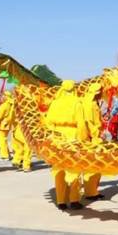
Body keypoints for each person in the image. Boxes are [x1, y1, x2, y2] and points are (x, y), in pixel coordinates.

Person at [44, 80, 84, 208]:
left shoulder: (55, 103)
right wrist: (83, 141)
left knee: (59, 169)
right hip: (73, 137)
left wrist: (52, 138)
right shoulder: (77, 102)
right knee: (74, 169)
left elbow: (48, 123)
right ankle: (74, 200)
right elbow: (81, 124)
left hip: (57, 138)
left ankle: (61, 200)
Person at [77, 82, 104, 200]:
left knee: (94, 166)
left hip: (92, 136)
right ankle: (90, 192)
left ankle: (93, 190)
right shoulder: (90, 104)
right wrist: (96, 135)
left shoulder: (90, 102)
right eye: (100, 92)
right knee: (93, 165)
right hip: (92, 138)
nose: (101, 94)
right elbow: (89, 122)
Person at [0, 91, 15, 160]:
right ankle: (7, 154)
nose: (2, 97)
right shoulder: (11, 104)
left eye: (3, 96)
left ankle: (4, 155)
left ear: (6, 96)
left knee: (2, 140)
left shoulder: (4, 105)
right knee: (4, 139)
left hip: (2, 124)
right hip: (7, 124)